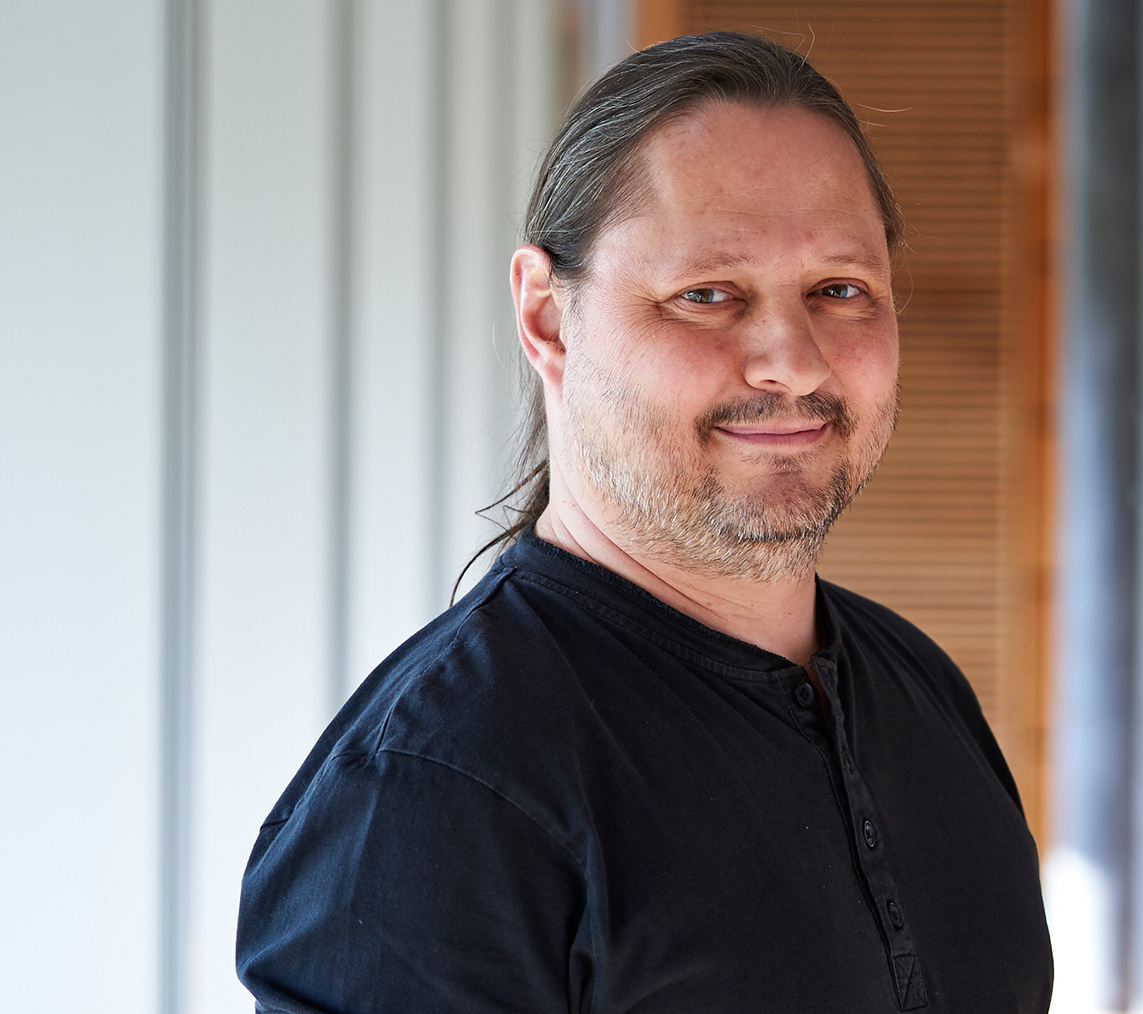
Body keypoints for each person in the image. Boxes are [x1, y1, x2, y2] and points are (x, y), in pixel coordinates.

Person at [237, 31, 1052, 1014]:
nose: (790, 360)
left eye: (840, 291)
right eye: (706, 296)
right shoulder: (435, 795)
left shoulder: (924, 694)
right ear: (546, 317)